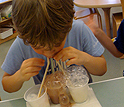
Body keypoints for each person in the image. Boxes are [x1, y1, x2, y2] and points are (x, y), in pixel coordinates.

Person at [1, 0, 107, 93]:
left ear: (68, 25)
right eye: (38, 47)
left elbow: (102, 69)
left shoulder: (79, 30)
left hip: (82, 96)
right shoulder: (23, 43)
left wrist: (86, 59)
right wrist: (20, 76)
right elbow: (6, 85)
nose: (49, 54)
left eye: (56, 45)